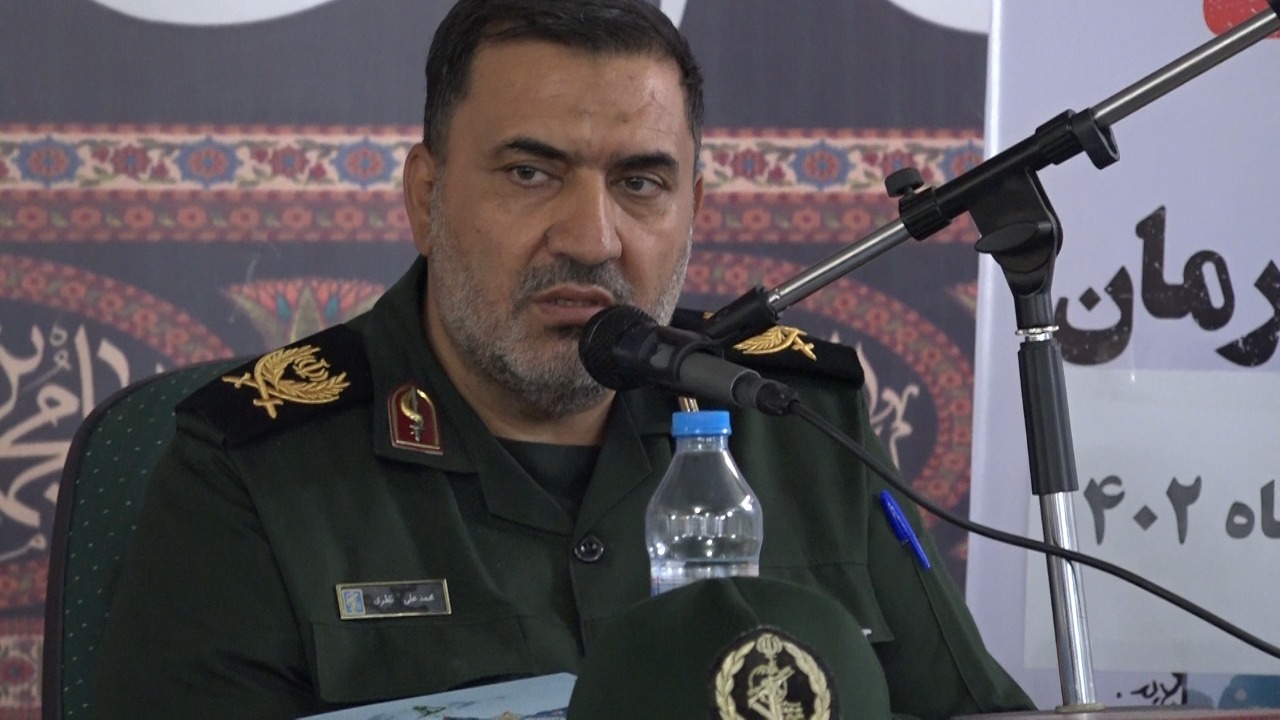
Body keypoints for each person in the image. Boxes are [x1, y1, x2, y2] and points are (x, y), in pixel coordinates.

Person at [92, 0, 1034, 717]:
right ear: (425, 197)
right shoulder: (253, 466)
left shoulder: (799, 420)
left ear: (694, 210)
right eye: (530, 173)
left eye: (640, 182)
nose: (591, 238)